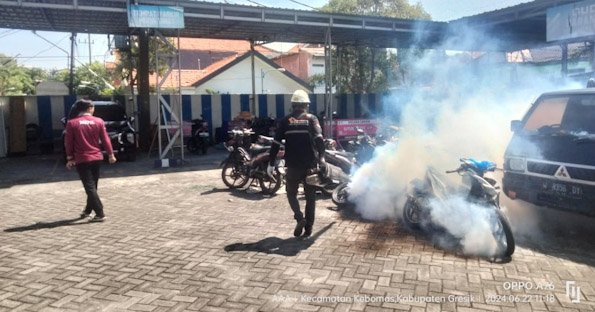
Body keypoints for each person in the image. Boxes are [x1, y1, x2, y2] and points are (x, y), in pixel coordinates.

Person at [267, 90, 326, 238]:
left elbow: (275, 143)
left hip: (293, 165)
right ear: (306, 105)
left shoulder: (285, 121)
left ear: (293, 105)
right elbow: (319, 140)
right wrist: (322, 158)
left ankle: (299, 217)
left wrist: (271, 163)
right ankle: (308, 229)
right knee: (310, 197)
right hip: (310, 166)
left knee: (291, 193)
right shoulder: (312, 119)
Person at [64, 99, 117, 222]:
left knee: (90, 187)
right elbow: (105, 139)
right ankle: (88, 210)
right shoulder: (98, 121)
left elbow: (68, 142)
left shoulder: (72, 123)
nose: (94, 109)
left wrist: (70, 158)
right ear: (89, 108)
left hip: (82, 159)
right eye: (93, 107)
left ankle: (100, 213)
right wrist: (110, 154)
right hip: (96, 158)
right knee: (93, 186)